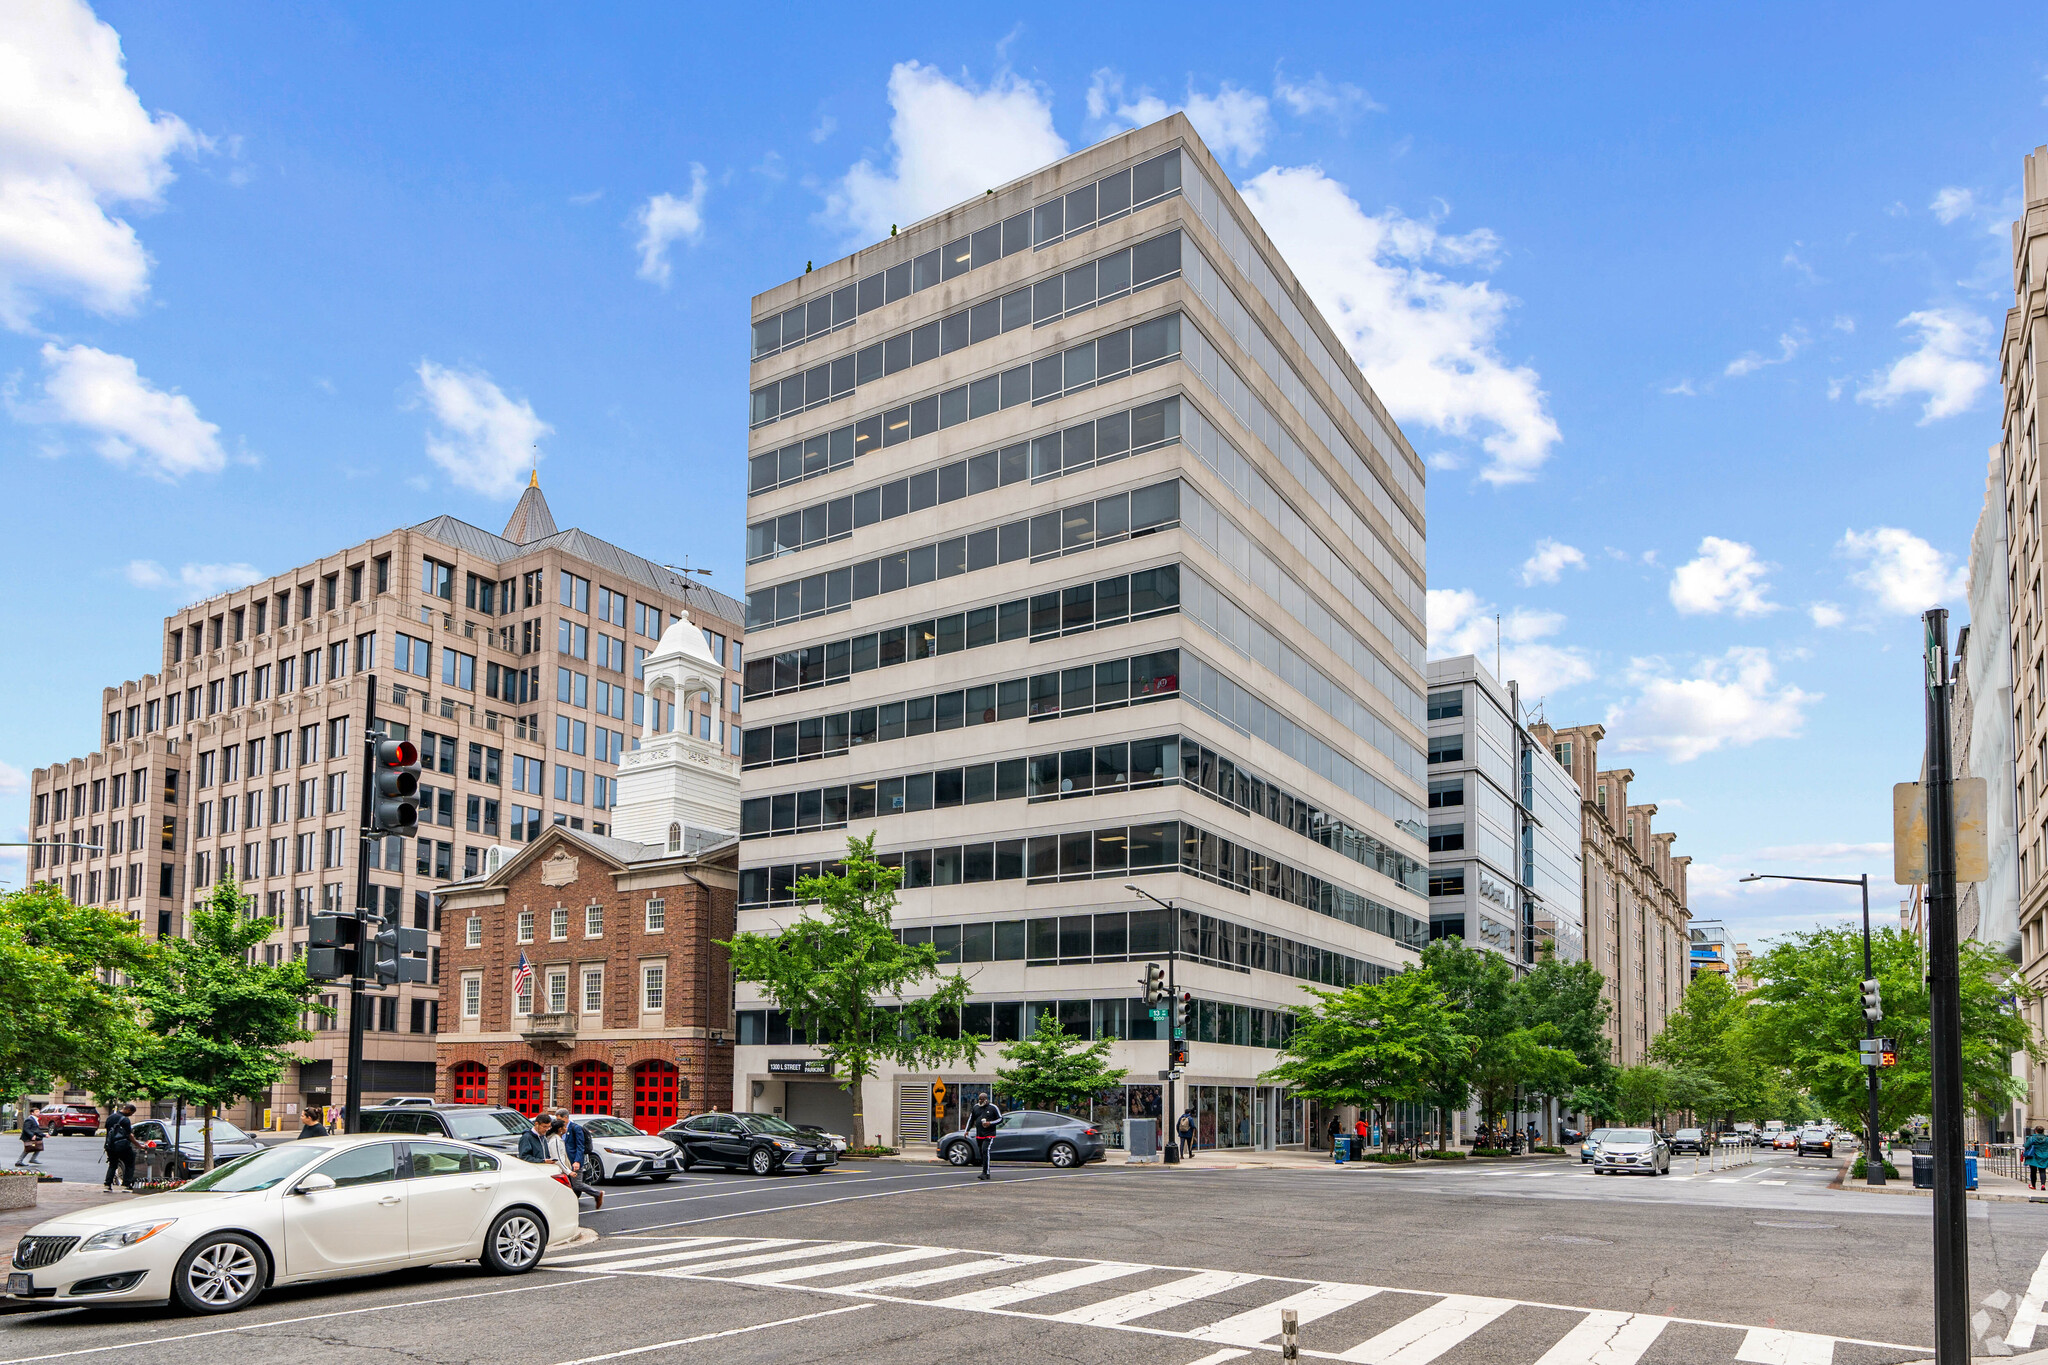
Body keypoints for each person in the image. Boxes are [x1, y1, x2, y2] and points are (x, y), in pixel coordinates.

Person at [545, 1112, 603, 1210]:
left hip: (572, 1162)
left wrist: (577, 1161)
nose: (558, 1121)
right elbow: (558, 1155)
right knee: (569, 1185)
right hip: (564, 1164)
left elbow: (580, 1146)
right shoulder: (556, 1137)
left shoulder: (575, 1128)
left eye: (560, 1119)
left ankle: (597, 1194)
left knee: (576, 1184)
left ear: (566, 1117)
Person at [967, 1093, 1002, 1181]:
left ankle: (985, 1172)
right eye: (979, 1100)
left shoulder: (993, 1107)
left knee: (985, 1150)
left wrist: (990, 1123)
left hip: (989, 1133)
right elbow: (971, 1119)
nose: (980, 1101)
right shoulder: (976, 1107)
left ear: (986, 1099)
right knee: (981, 1152)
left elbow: (1000, 1119)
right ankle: (986, 1172)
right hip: (979, 1134)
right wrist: (967, 1130)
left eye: (982, 1100)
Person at [103, 1103, 136, 1192]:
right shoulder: (125, 1120)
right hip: (122, 1146)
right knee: (130, 1163)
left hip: (110, 1145)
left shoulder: (110, 1117)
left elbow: (108, 1130)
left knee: (113, 1164)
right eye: (131, 1113)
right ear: (128, 1110)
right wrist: (139, 1145)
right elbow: (129, 1135)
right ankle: (126, 1185)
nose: (131, 1115)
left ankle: (107, 1185)